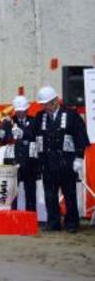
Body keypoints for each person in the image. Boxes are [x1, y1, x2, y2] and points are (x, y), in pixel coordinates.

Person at [34, 86, 89, 233]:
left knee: (70, 194)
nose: (44, 107)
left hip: (66, 163)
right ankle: (53, 223)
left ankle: (72, 223)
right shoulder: (40, 117)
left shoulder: (71, 116)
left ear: (55, 101)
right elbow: (32, 134)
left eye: (46, 104)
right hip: (48, 163)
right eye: (42, 104)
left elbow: (80, 137)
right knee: (50, 195)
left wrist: (79, 158)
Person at [0, 95, 39, 211]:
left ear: (27, 109)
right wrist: (2, 131)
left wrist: (23, 133)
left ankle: (30, 216)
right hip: (12, 162)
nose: (20, 113)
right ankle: (11, 215)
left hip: (29, 162)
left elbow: (37, 137)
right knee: (11, 192)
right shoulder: (8, 122)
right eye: (18, 111)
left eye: (23, 111)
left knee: (31, 192)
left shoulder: (34, 121)